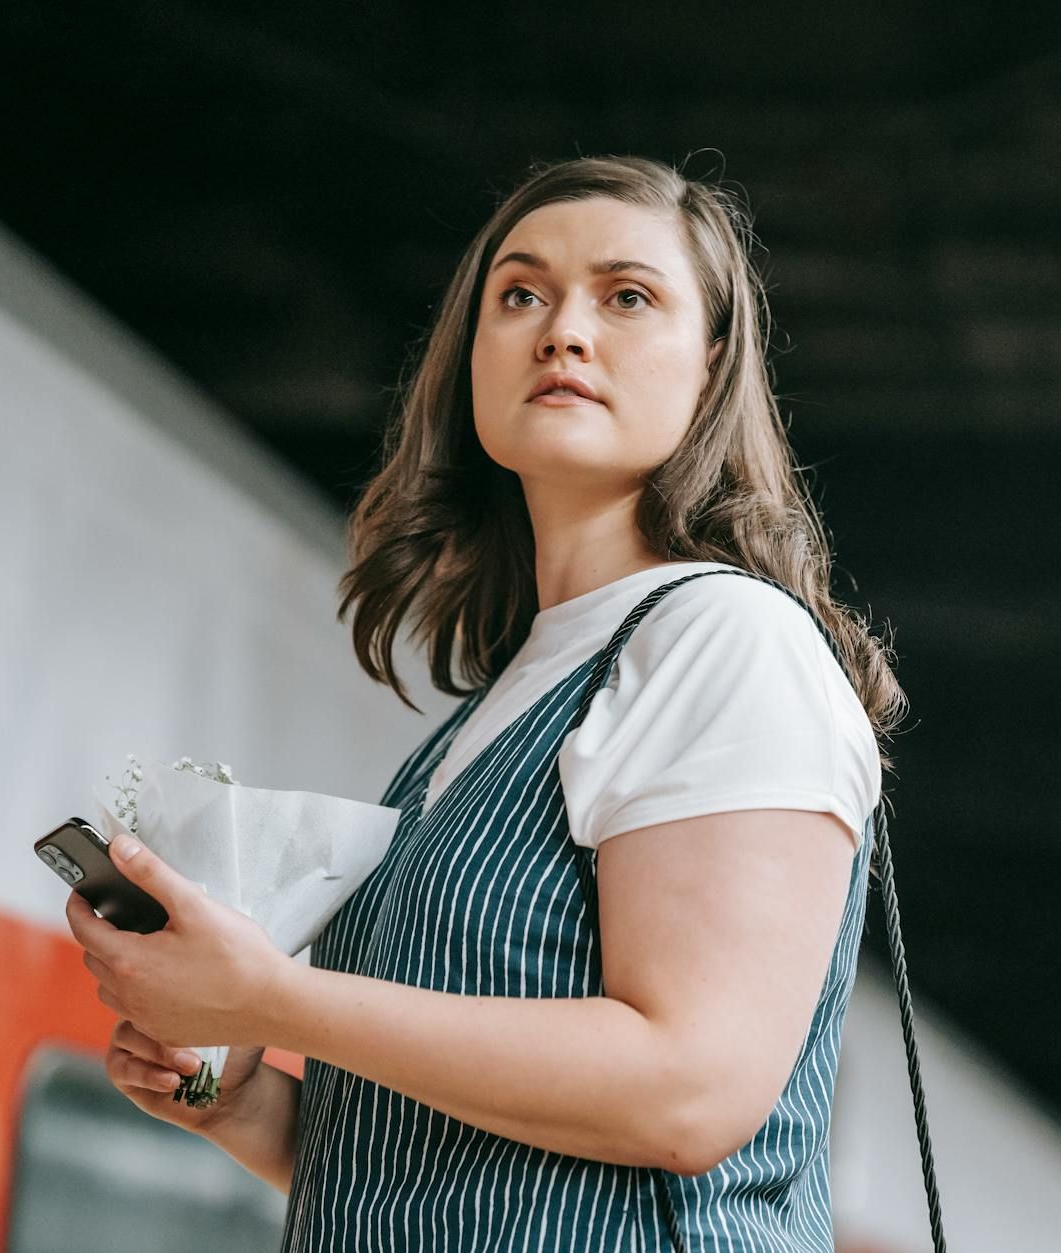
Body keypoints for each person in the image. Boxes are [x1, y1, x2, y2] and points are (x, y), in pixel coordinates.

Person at [66, 153, 909, 1251]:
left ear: (710, 367)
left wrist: (268, 998)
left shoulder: (725, 640)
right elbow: (428, 1163)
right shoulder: (497, 707)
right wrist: (238, 1100)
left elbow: (686, 1093)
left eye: (626, 297)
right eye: (520, 294)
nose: (562, 329)